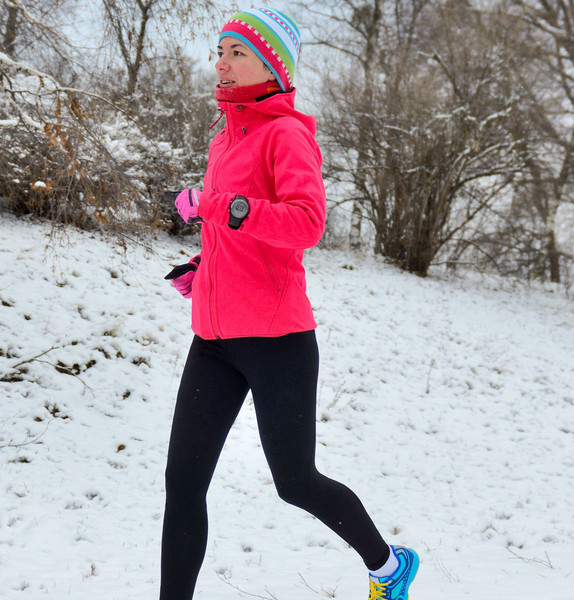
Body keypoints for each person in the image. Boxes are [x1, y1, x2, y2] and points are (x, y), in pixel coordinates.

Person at [160, 8, 419, 600]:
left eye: (236, 52)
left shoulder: (287, 134)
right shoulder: (223, 137)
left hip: (278, 344)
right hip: (216, 340)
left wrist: (221, 205)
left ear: (271, 64)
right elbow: (237, 236)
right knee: (183, 482)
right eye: (219, 49)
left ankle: (388, 566)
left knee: (296, 482)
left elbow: (306, 224)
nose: (219, 62)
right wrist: (204, 272)